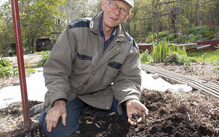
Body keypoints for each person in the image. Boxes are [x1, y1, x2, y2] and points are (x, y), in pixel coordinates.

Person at [39, 0, 148, 136]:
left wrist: (131, 99)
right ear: (104, 5)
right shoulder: (76, 30)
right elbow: (56, 69)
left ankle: (88, 110)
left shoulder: (129, 45)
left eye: (123, 10)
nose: (116, 12)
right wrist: (58, 101)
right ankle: (44, 112)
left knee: (131, 115)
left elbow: (129, 78)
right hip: (70, 93)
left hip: (101, 95)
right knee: (57, 130)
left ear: (127, 16)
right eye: (114, 5)